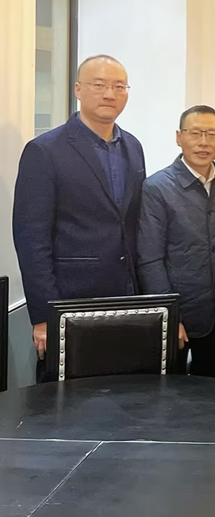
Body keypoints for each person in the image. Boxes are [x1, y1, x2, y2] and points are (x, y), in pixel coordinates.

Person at [13, 54, 145, 378]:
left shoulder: (133, 146)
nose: (109, 94)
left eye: (119, 86)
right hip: (71, 302)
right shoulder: (45, 151)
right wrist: (43, 316)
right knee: (68, 398)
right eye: (99, 85)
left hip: (127, 299)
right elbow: (32, 240)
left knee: (126, 394)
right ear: (78, 89)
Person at [137, 105, 215, 378]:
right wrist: (169, 316)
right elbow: (150, 259)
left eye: (211, 134)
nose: (203, 142)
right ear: (179, 137)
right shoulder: (157, 188)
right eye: (195, 133)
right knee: (170, 393)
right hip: (179, 311)